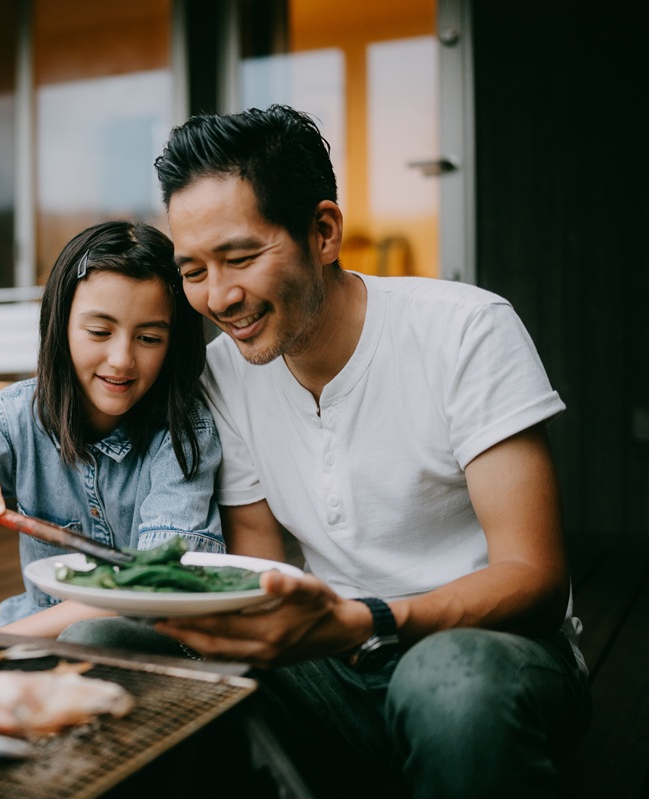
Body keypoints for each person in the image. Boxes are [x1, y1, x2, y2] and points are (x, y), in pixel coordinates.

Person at [148, 105, 591, 797]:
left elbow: (535, 577)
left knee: (445, 681)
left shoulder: (465, 330)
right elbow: (261, 571)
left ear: (323, 232)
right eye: (193, 269)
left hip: (488, 660)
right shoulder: (222, 376)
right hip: (331, 662)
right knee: (123, 653)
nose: (220, 296)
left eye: (240, 257)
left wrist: (374, 618)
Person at [0, 220, 224, 639]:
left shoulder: (183, 434)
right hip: (34, 633)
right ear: (60, 325)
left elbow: (150, 585)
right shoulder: (16, 416)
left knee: (89, 635)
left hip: (149, 643)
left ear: (174, 344)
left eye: (149, 338)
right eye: (99, 332)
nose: (122, 359)